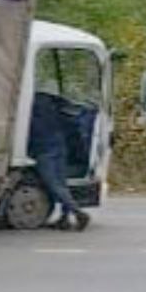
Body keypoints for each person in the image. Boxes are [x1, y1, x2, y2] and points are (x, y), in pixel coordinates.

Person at [27, 92, 91, 231]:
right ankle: (64, 218)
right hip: (59, 144)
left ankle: (78, 212)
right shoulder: (47, 98)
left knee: (53, 183)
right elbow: (71, 109)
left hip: (42, 148)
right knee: (61, 183)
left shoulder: (25, 101)